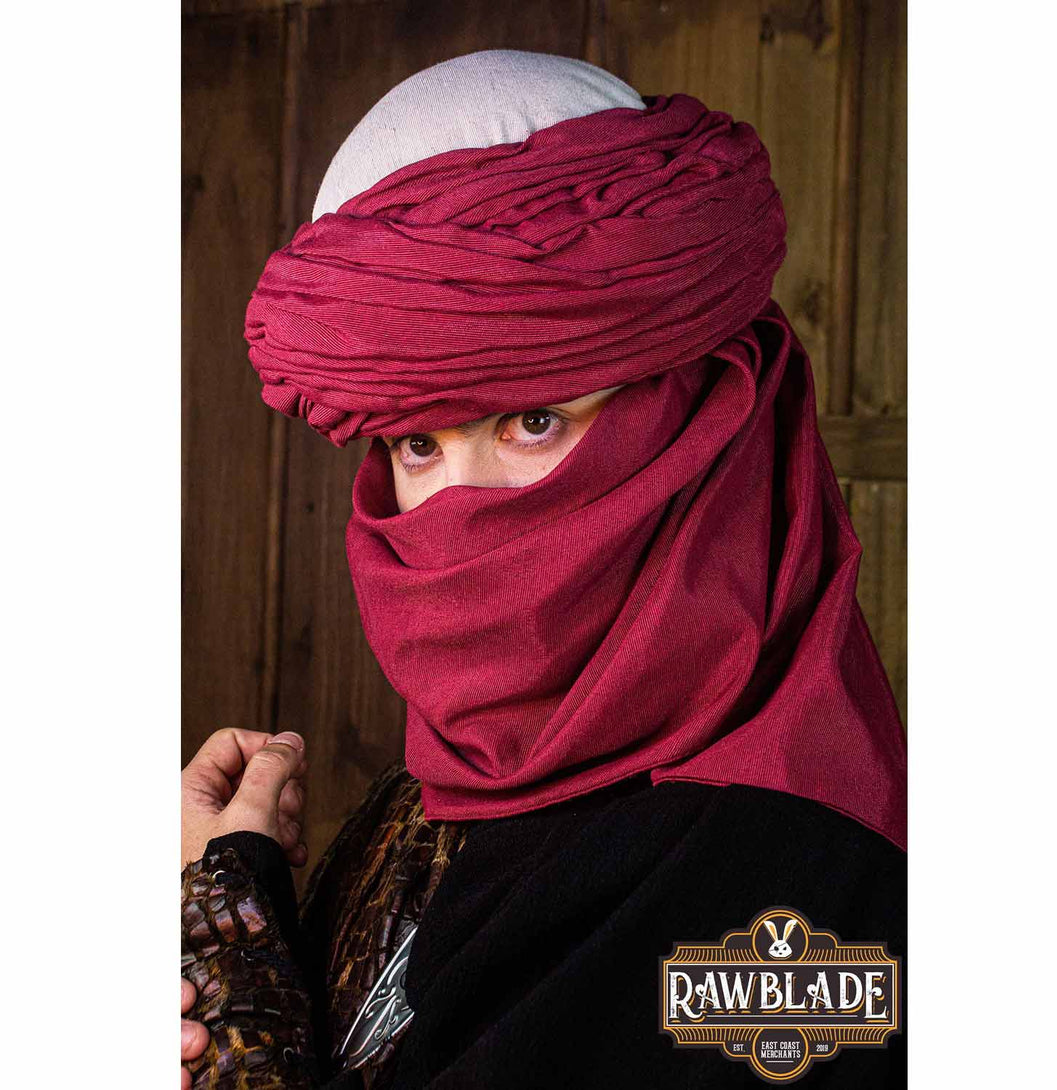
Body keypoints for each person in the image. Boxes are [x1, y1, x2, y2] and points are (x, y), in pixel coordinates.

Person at [181, 50, 907, 1089]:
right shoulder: (438, 792)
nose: (462, 512)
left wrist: (224, 942)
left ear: (708, 410)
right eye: (417, 445)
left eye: (532, 421)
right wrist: (239, 893)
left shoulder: (789, 891)